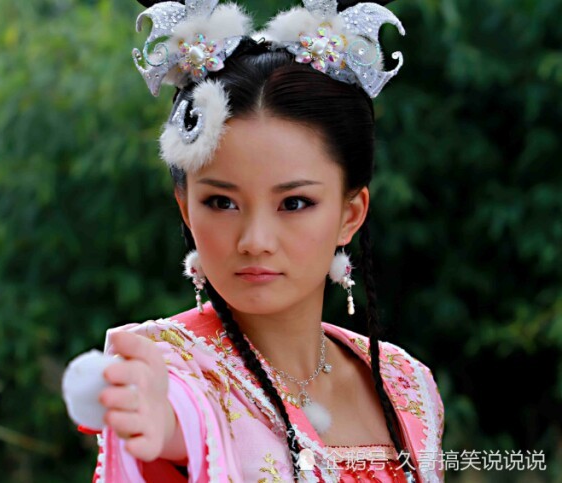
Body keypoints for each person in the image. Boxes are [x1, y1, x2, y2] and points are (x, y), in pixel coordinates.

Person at [73, 0, 445, 481]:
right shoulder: (176, 370)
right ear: (185, 208)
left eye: (294, 203)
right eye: (221, 202)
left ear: (349, 214)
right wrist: (164, 419)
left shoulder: (405, 383)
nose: (255, 241)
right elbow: (183, 418)